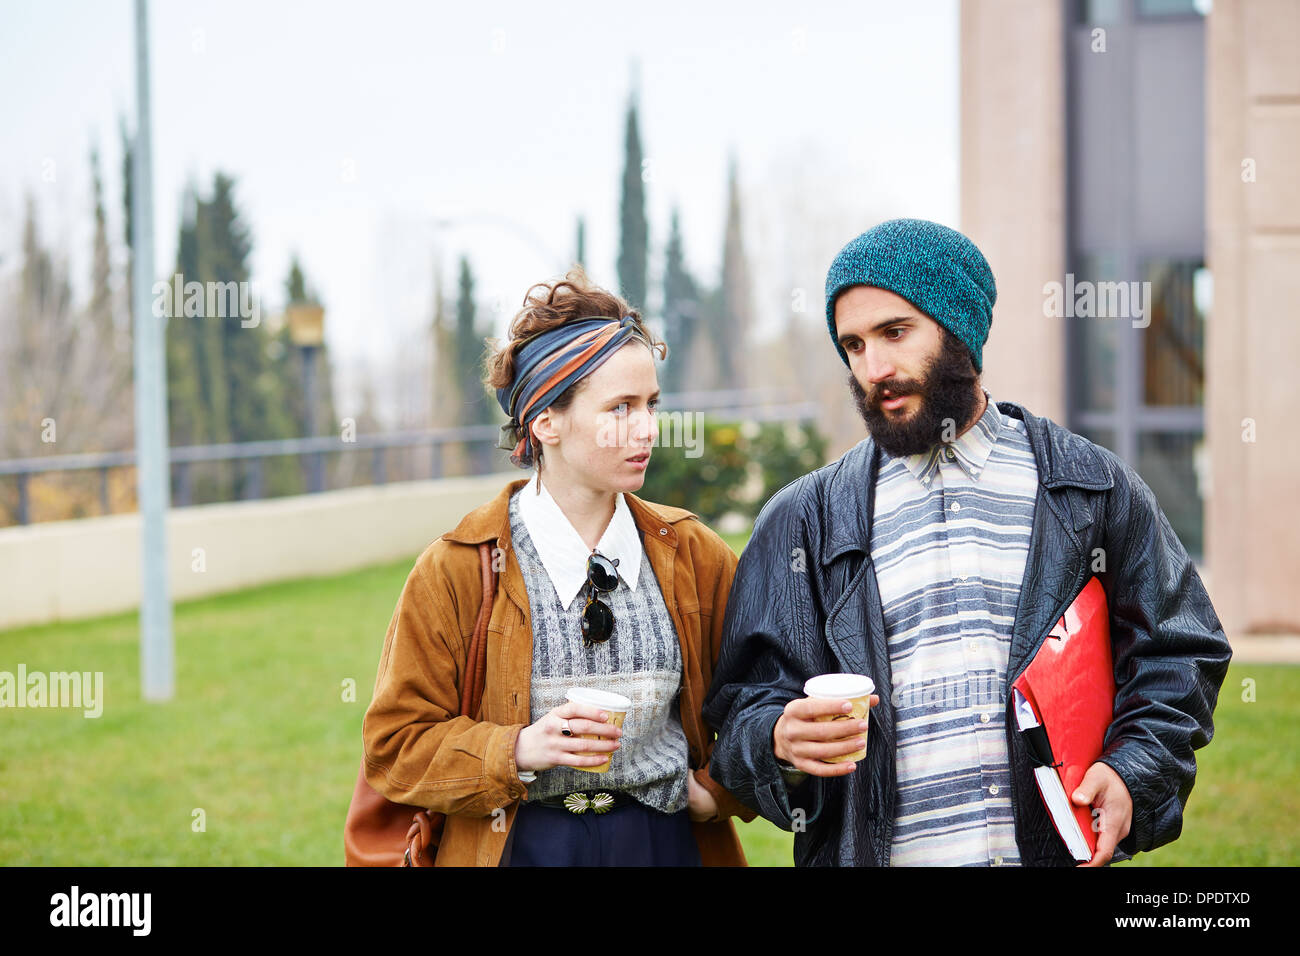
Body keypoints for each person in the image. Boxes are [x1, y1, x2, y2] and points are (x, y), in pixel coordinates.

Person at [703, 218, 1231, 867]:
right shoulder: (802, 519)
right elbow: (742, 710)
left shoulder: (1092, 486)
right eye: (854, 345)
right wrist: (778, 738)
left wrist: (1134, 767)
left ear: (961, 329)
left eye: (895, 333)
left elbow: (1180, 649)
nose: (875, 368)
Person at [362, 267, 753, 866]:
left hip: (664, 846)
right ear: (545, 422)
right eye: (620, 407)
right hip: (519, 847)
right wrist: (519, 748)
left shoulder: (694, 555)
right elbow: (395, 746)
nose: (647, 428)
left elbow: (763, 694)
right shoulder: (457, 569)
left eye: (651, 404)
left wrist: (717, 790)